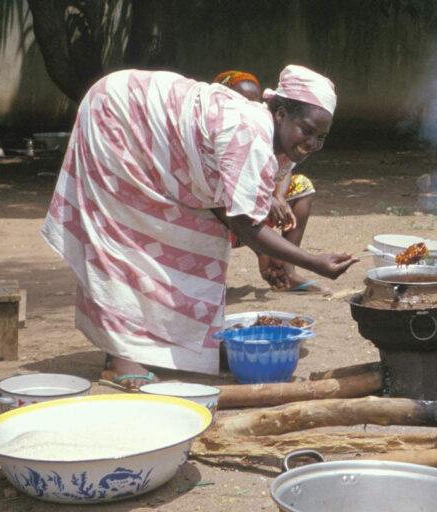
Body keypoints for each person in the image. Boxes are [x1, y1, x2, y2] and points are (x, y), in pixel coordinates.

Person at [41, 65, 357, 390]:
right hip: (118, 116)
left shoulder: (282, 149)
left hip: (152, 141)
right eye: (307, 130)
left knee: (194, 239)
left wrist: (269, 251)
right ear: (280, 114)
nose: (314, 142)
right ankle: (118, 357)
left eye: (322, 136)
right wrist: (312, 262)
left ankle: (172, 344)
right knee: (129, 236)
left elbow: (228, 209)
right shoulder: (249, 134)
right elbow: (243, 223)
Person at [213, 69, 322, 293]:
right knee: (214, 199)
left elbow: (286, 171)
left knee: (302, 186)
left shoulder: (273, 135)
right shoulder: (221, 132)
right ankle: (207, 281)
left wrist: (278, 196)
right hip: (225, 212)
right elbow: (228, 189)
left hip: (256, 211)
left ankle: (287, 271)